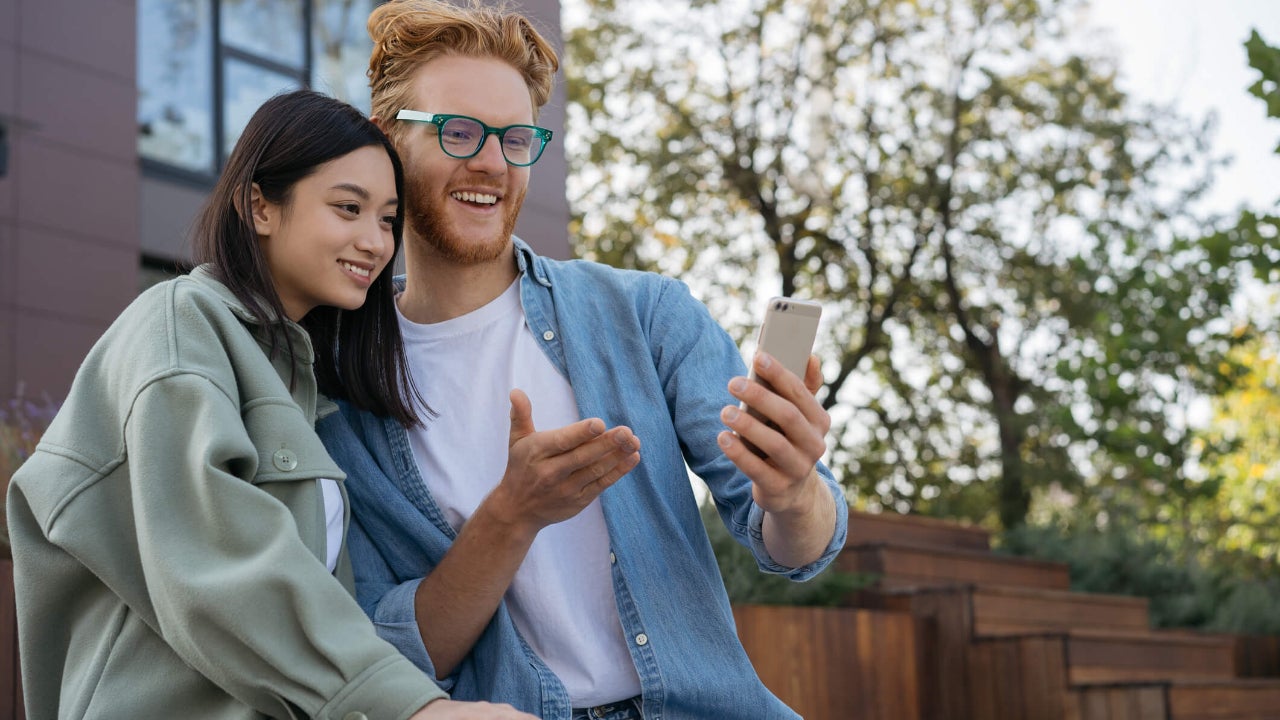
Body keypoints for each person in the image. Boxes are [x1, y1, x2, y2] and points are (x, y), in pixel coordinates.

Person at [314, 2, 850, 718]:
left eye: (515, 138)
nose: (491, 163)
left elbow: (797, 546)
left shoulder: (643, 314)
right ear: (387, 144)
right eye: (458, 132)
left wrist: (792, 495)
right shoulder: (337, 390)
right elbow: (399, 660)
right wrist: (512, 515)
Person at [5, 89, 536, 720]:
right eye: (348, 208)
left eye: (388, 220)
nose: (374, 241)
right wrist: (415, 709)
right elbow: (215, 567)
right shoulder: (179, 326)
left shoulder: (301, 380)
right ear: (259, 205)